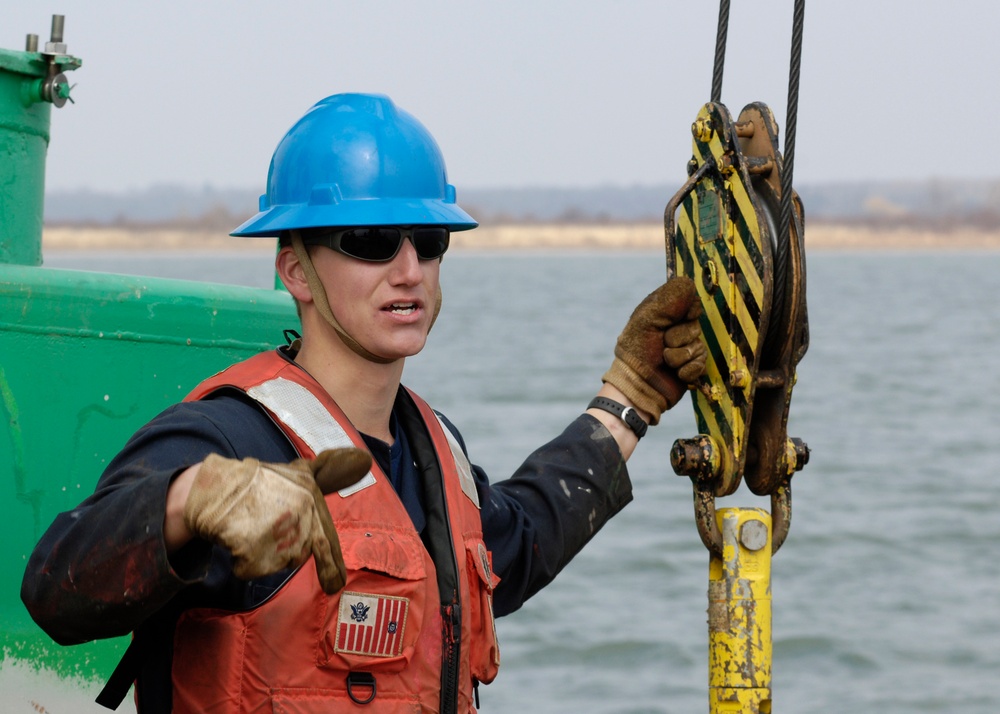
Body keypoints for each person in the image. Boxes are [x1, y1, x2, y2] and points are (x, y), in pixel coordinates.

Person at [21, 93, 706, 713]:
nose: (408, 269)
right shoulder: (225, 440)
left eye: (428, 242)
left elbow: (516, 542)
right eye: (372, 243)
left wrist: (629, 399)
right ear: (296, 269)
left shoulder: (436, 448)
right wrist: (190, 502)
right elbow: (57, 587)